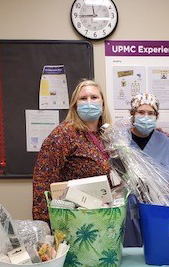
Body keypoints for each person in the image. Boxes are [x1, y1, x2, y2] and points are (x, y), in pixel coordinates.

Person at [32, 79, 112, 222]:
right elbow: (42, 180)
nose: (89, 102)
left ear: (103, 103)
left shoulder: (106, 135)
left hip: (103, 217)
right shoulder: (64, 134)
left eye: (94, 97)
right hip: (73, 220)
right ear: (75, 105)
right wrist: (44, 225)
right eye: (83, 98)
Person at [124, 92, 169, 247]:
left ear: (156, 116)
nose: (146, 116)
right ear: (132, 114)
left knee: (156, 246)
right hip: (126, 207)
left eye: (151, 113)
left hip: (156, 205)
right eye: (141, 112)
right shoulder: (121, 140)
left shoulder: (164, 141)